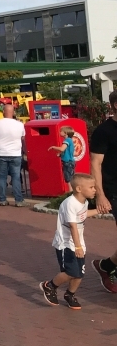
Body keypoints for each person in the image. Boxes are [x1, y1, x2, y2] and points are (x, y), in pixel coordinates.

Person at [41, 173, 99, 310]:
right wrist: (77, 246)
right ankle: (49, 286)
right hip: (66, 244)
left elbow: (83, 215)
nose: (94, 190)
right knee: (71, 272)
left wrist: (98, 210)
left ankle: (69, 295)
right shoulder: (70, 204)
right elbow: (73, 226)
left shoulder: (83, 202)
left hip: (78, 244)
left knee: (80, 273)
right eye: (91, 187)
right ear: (79, 188)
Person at [89, 92, 117, 293]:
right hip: (114, 190)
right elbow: (95, 164)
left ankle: (106, 266)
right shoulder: (103, 131)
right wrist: (100, 195)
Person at [0, 104, 26, 206]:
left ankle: (2, 200)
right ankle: (18, 200)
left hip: (0, 152)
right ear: (13, 113)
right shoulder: (20, 124)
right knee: (15, 177)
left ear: (3, 112)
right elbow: (23, 137)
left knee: (2, 177)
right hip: (15, 153)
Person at [49, 126, 77, 190]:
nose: (59, 132)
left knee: (68, 179)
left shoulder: (66, 140)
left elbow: (62, 148)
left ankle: (70, 192)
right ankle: (72, 192)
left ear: (65, 133)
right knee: (71, 177)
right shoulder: (70, 140)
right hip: (71, 161)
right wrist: (61, 155)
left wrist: (53, 147)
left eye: (61, 131)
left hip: (67, 162)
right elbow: (70, 152)